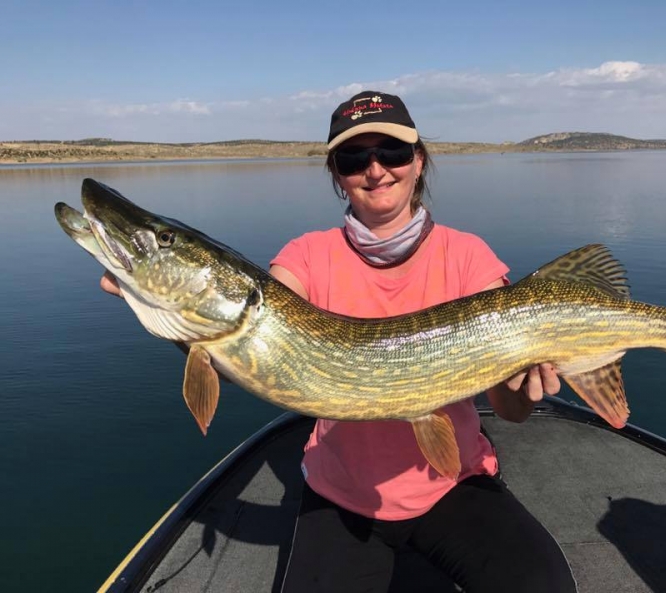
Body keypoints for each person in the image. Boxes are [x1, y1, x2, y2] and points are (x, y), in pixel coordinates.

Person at [101, 91, 577, 592]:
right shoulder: (306, 256)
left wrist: (526, 385)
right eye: (354, 158)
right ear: (337, 174)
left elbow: (512, 411)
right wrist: (173, 313)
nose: (375, 170)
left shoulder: (468, 256)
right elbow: (257, 333)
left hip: (454, 483)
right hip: (342, 494)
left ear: (418, 162)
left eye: (391, 153)